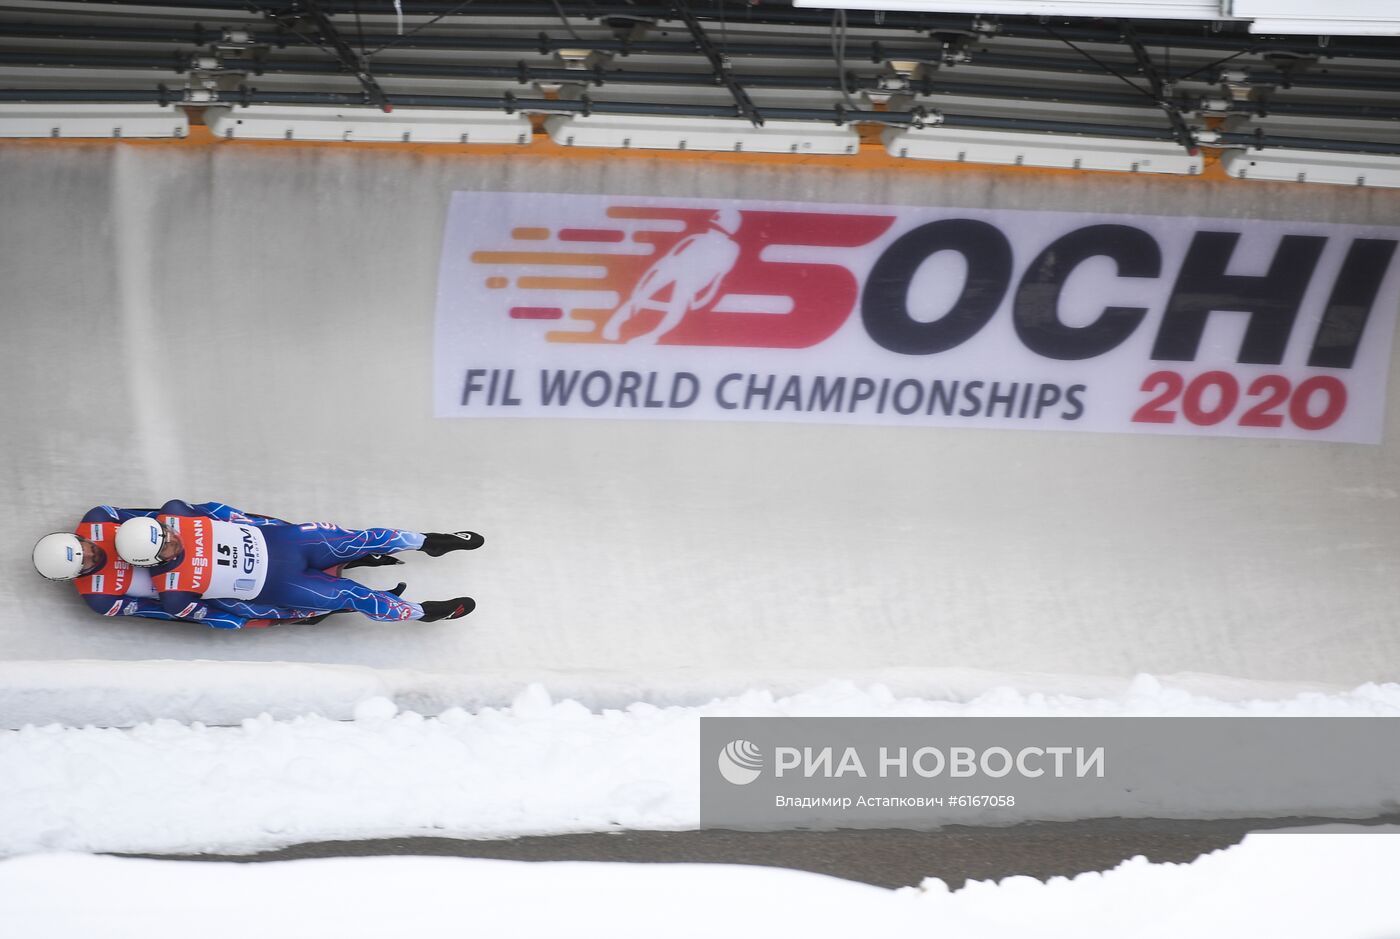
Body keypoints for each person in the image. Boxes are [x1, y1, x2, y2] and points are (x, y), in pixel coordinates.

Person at [31, 503, 410, 629]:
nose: (94, 553)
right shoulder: (101, 598)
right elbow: (158, 612)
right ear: (78, 575)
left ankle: (357, 556)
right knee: (242, 607)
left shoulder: (101, 519)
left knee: (296, 544)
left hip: (209, 552)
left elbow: (152, 517)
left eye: (85, 547)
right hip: (207, 589)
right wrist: (218, 618)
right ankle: (330, 606)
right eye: (87, 561)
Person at [114, 499, 481, 627]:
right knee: (354, 596)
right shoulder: (173, 593)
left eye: (164, 532)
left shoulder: (177, 514)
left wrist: (271, 525)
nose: (172, 539)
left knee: (362, 537)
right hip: (283, 586)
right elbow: (223, 614)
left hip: (287, 543)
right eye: (164, 547)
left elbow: (226, 513)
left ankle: (430, 542)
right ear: (152, 561)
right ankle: (424, 612)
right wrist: (274, 616)